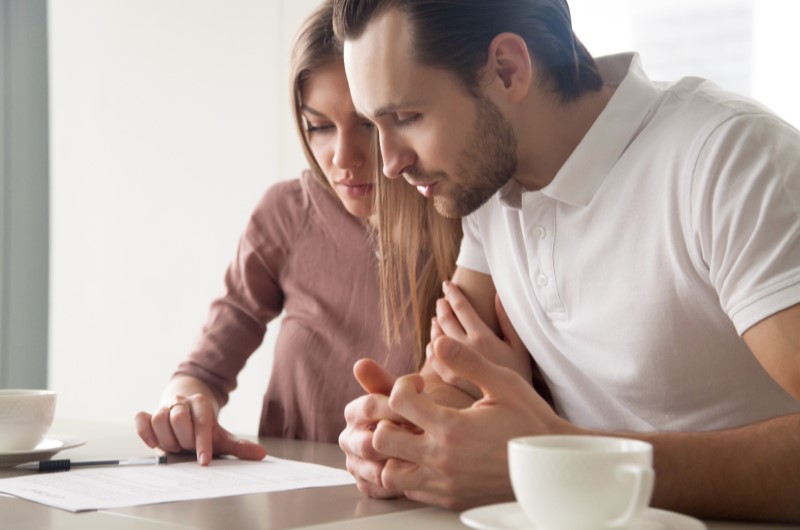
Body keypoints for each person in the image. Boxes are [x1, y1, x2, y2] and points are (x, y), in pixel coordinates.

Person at [332, 0, 800, 523]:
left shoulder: (726, 159)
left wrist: (557, 457)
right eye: (377, 125)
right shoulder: (488, 189)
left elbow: (527, 443)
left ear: (508, 69)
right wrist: (403, 433)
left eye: (407, 118)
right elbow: (454, 383)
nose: (390, 163)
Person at [134, 0, 462, 466]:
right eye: (319, 127)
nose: (342, 158)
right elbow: (201, 371)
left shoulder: (467, 221)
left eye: (366, 125)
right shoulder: (286, 213)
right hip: (292, 495)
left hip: (414, 493)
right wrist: (184, 406)